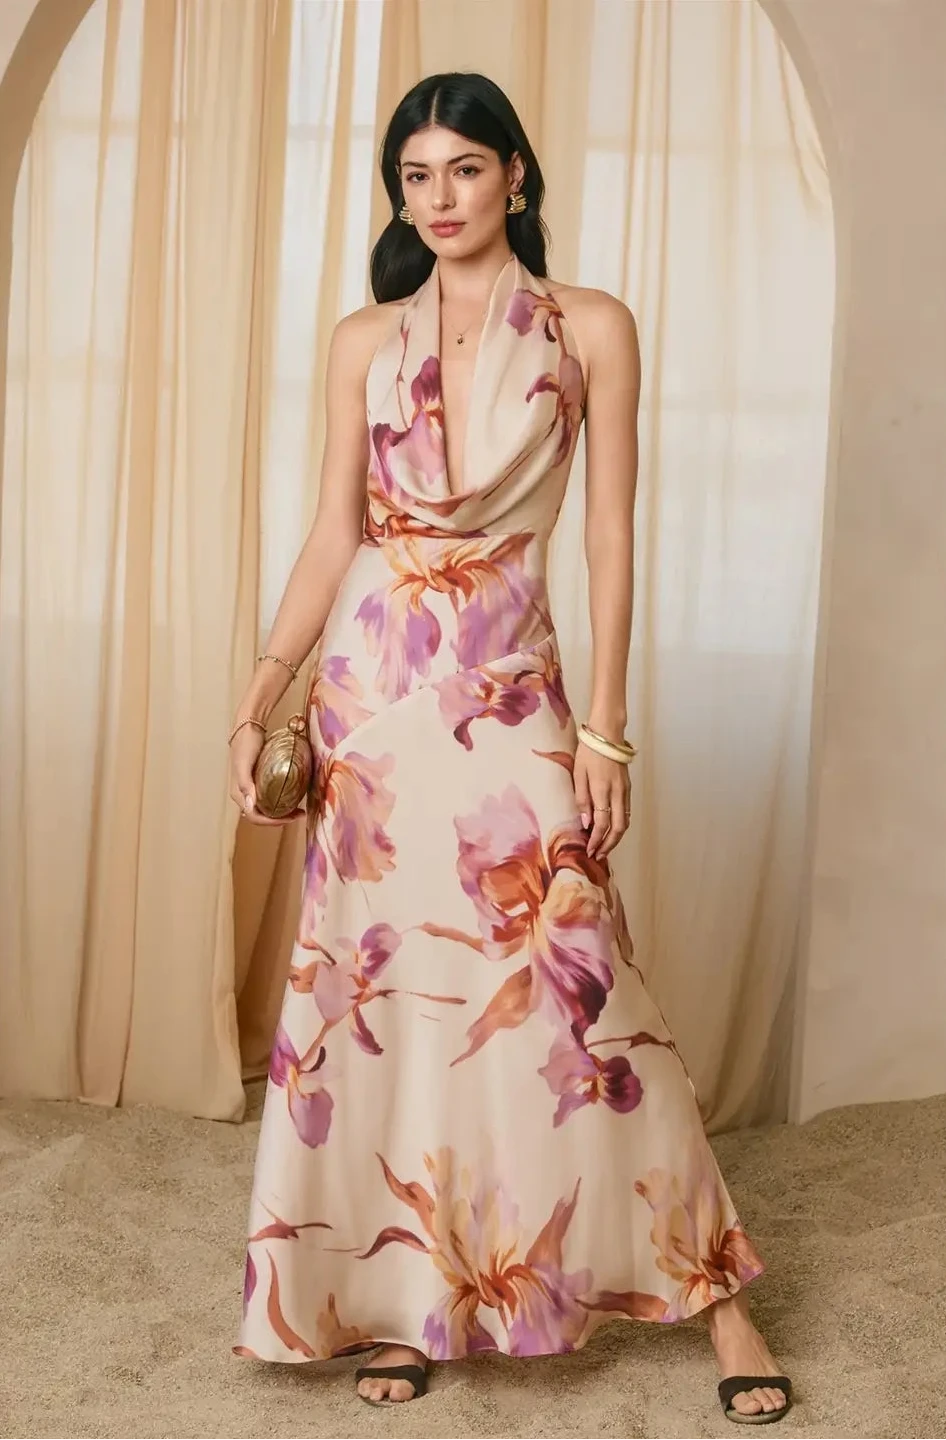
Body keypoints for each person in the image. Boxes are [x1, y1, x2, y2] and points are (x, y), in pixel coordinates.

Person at [227, 72, 792, 1426]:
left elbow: (606, 535)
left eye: (464, 171)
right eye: (415, 176)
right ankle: (404, 1299)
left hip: (508, 690)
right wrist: (260, 694)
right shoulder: (364, 337)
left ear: (515, 181)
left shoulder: (589, 325)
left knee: (579, 981)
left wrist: (603, 728)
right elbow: (333, 532)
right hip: (375, 703)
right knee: (389, 1005)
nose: (439, 197)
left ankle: (721, 1302)